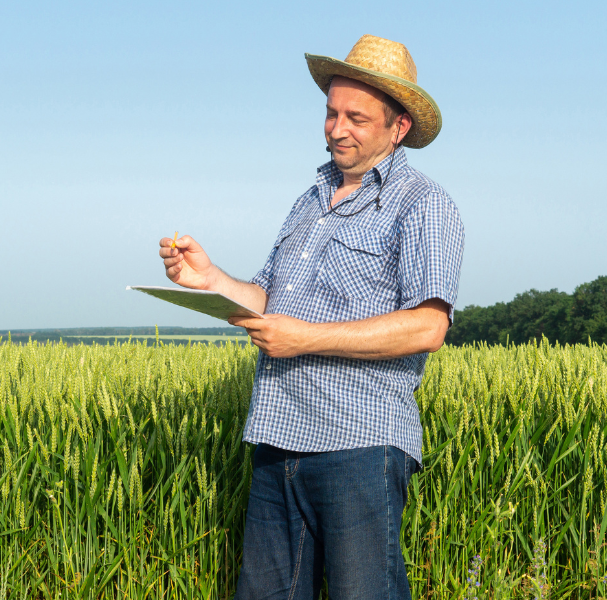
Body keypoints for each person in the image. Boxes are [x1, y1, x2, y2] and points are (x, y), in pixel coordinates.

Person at [158, 34, 464, 600]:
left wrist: (305, 339)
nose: (336, 128)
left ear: (398, 128)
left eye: (356, 118)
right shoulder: (309, 199)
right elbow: (271, 301)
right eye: (330, 113)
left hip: (360, 445)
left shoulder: (423, 204)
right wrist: (212, 280)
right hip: (278, 440)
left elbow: (429, 326)